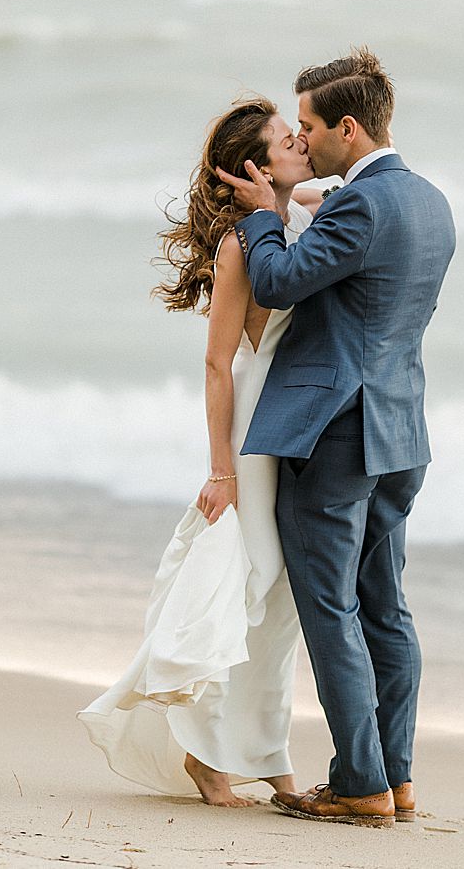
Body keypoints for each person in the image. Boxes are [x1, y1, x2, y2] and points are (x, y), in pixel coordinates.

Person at [217, 47, 455, 829]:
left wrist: (259, 216)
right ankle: (398, 775)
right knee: (385, 606)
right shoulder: (427, 201)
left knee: (330, 607)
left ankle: (359, 783)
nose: (305, 140)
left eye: (312, 126)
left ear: (348, 128)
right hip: (401, 431)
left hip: (335, 437)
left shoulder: (360, 207)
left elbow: (280, 281)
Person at [79, 98, 323, 806]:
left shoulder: (300, 216)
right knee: (250, 587)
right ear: (256, 166)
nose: (300, 142)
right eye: (286, 139)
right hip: (252, 426)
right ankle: (204, 757)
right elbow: (219, 364)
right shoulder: (241, 246)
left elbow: (326, 194)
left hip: (291, 420)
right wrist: (220, 469)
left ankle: (269, 758)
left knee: (281, 602)